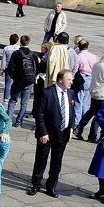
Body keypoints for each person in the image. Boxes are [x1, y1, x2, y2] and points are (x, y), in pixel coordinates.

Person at [28, 70, 76, 198]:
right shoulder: (47, 92)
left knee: (57, 161)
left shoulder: (71, 93)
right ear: (61, 80)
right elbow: (40, 114)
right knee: (41, 160)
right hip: (47, 134)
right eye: (69, 79)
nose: (72, 82)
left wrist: (71, 127)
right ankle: (36, 184)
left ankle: (51, 186)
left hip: (63, 134)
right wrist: (43, 132)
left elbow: (72, 112)